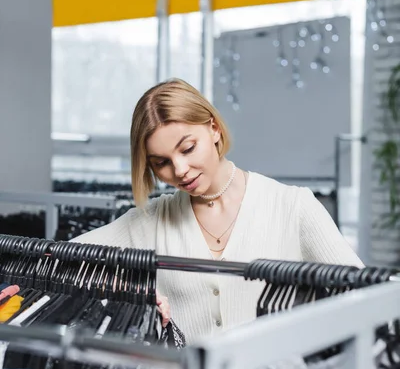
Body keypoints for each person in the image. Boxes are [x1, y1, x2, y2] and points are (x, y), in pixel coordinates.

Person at [74, 78, 362, 343]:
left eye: (187, 149)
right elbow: (53, 262)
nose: (180, 170)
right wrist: (126, 293)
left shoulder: (293, 207)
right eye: (161, 163)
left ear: (213, 128)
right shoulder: (151, 220)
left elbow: (368, 298)